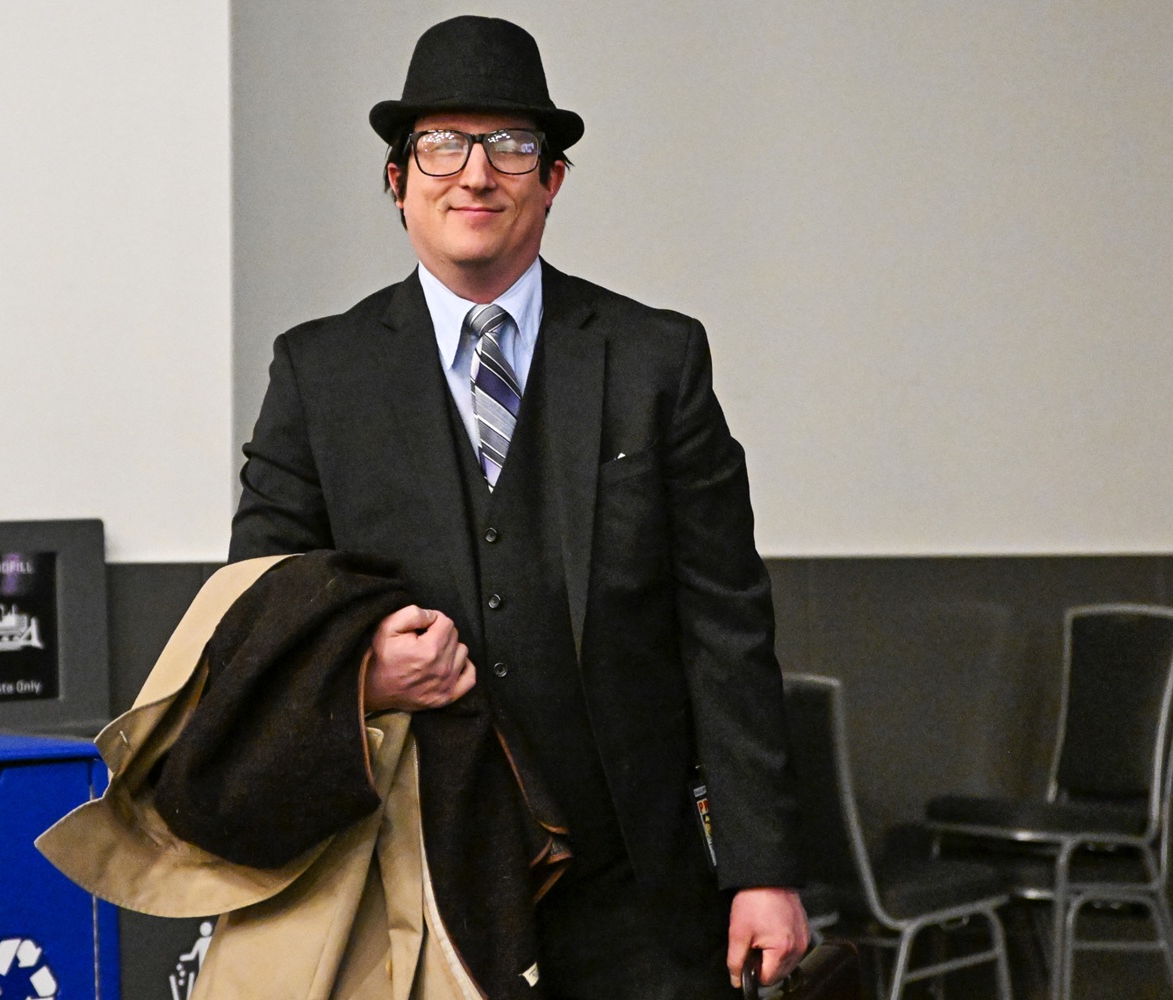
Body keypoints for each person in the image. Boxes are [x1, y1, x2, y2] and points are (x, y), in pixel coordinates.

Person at [230, 15, 808, 998]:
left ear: (553, 179)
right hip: (410, 884)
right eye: (441, 145)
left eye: (511, 145)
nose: (475, 174)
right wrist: (361, 669)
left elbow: (726, 624)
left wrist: (763, 866)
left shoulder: (654, 360)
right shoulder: (319, 371)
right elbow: (258, 600)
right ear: (395, 179)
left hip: (633, 885)